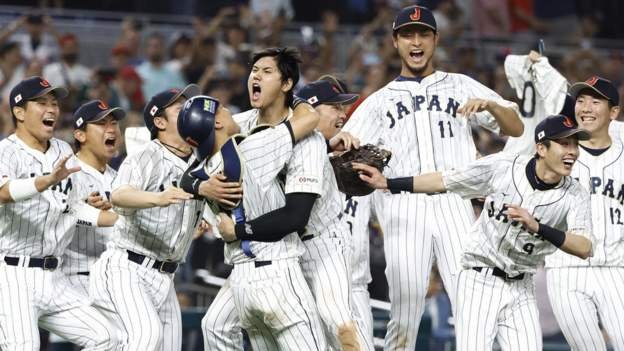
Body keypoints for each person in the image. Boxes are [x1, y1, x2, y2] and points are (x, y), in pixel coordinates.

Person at [340, 5, 523, 350]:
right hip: (402, 209)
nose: (416, 41)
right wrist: (344, 144)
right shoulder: (378, 102)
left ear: (435, 39)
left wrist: (493, 106)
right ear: (395, 41)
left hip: (455, 204)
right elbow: (343, 155)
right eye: (408, 34)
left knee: (473, 305)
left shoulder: (460, 85)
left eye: (423, 33)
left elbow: (515, 127)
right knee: (405, 313)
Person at [354, 114, 594, 350]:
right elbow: (445, 180)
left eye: (575, 144)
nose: (572, 151)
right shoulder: (503, 167)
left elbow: (584, 247)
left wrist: (538, 227)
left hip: (523, 285)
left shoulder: (575, 195)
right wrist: (389, 183)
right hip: (480, 279)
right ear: (541, 148)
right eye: (564, 144)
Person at [180, 93, 327, 350]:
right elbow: (309, 119)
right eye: (224, 108)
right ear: (216, 123)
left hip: (243, 284)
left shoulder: (201, 173)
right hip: (279, 274)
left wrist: (200, 186)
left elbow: (185, 179)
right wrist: (289, 94)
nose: (230, 111)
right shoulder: (253, 148)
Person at [0, 76, 119, 350]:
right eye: (41, 103)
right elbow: (3, 192)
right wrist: (46, 181)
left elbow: (76, 209)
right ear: (19, 112)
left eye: (54, 103)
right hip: (13, 274)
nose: (52, 109)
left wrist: (120, 219)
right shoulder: (6, 152)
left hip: (55, 276)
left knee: (107, 337)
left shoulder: (63, 150)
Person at [88, 84, 202, 350]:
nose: (188, 109)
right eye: (179, 107)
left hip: (166, 275)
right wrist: (159, 198)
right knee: (146, 339)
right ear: (160, 121)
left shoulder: (198, 162)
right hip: (128, 267)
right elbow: (119, 195)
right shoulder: (146, 155)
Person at [545, 76, 624, 350]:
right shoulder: (555, 150)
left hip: (617, 268)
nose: (586, 107)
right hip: (566, 270)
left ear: (613, 111)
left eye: (595, 101)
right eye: (580, 100)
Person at [297, 78, 376, 351]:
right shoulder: (287, 148)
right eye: (335, 107)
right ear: (310, 108)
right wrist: (328, 147)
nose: (344, 114)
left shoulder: (348, 154)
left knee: (346, 333)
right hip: (295, 265)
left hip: (342, 273)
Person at [503, 48, 569, 156]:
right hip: (532, 145)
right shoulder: (554, 87)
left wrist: (531, 60)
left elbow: (510, 62)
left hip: (518, 144)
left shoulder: (533, 77)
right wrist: (539, 63)